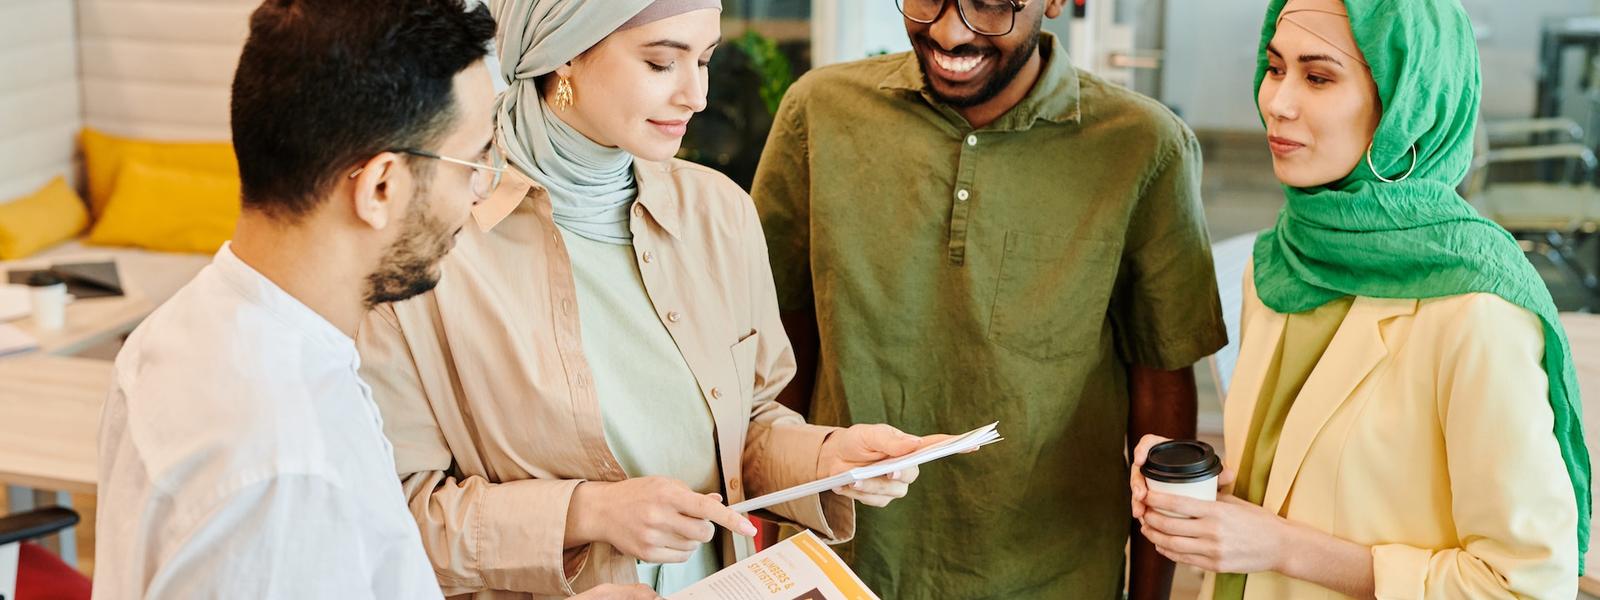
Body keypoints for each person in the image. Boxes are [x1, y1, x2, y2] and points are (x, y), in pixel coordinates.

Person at [356, 1, 945, 597]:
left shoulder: (720, 213)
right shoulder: (427, 243)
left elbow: (749, 423)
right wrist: (589, 512)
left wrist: (828, 457)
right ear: (562, 58)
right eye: (662, 63)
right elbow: (396, 514)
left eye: (706, 60)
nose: (697, 96)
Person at [93, 1, 654, 597]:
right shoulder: (288, 470)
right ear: (381, 186)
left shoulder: (185, 328)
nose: (478, 195)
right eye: (473, 163)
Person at [750, 0, 1227, 598]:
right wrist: (778, 553)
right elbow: (781, 349)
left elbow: (1160, 387)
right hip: (850, 563)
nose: (950, 32)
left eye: (991, 4)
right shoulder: (818, 113)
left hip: (1054, 574)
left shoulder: (1143, 145)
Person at [1130, 0, 1589, 598]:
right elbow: (1305, 484)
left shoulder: (1476, 311)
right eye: (1275, 68)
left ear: (1407, 106)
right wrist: (1201, 497)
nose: (1278, 101)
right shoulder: (1281, 266)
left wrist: (1281, 547)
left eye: (1318, 76)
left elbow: (1526, 585)